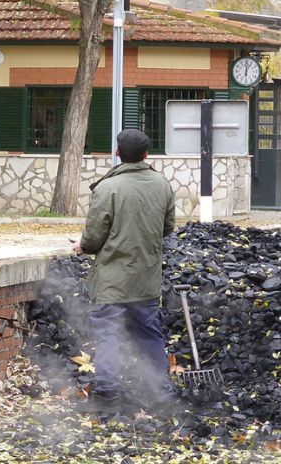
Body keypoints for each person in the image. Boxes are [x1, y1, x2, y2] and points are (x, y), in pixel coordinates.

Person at [72, 129, 176, 416]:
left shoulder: (108, 188)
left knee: (108, 335)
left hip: (111, 283)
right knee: (149, 335)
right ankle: (161, 394)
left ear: (118, 154)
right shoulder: (163, 184)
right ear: (146, 154)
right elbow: (167, 229)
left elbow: (93, 238)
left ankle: (106, 395)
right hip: (146, 280)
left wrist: (82, 246)